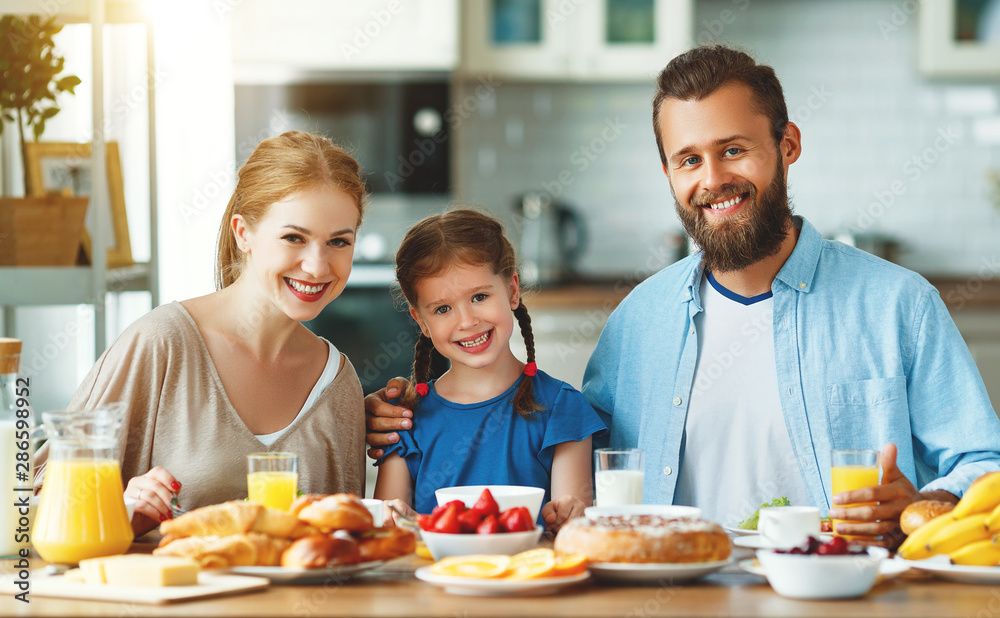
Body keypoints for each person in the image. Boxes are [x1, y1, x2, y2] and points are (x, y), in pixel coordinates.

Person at [364, 46, 1000, 547]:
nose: (713, 179)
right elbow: (562, 461)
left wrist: (926, 502)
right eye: (688, 159)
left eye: (733, 151)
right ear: (667, 172)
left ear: (788, 146)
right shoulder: (638, 321)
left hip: (842, 593)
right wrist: (408, 409)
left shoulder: (897, 304)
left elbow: (985, 463)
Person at [34, 131, 370, 535]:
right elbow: (36, 502)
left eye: (338, 242)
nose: (317, 266)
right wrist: (121, 505)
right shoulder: (163, 344)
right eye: (293, 237)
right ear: (243, 233)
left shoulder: (337, 382)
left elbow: (344, 545)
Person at [373, 209, 605, 532]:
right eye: (442, 309)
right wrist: (393, 520)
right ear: (421, 321)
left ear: (512, 291)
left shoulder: (563, 408)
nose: (467, 321)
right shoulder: (404, 420)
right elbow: (387, 536)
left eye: (479, 297)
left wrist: (569, 515)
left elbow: (569, 533)